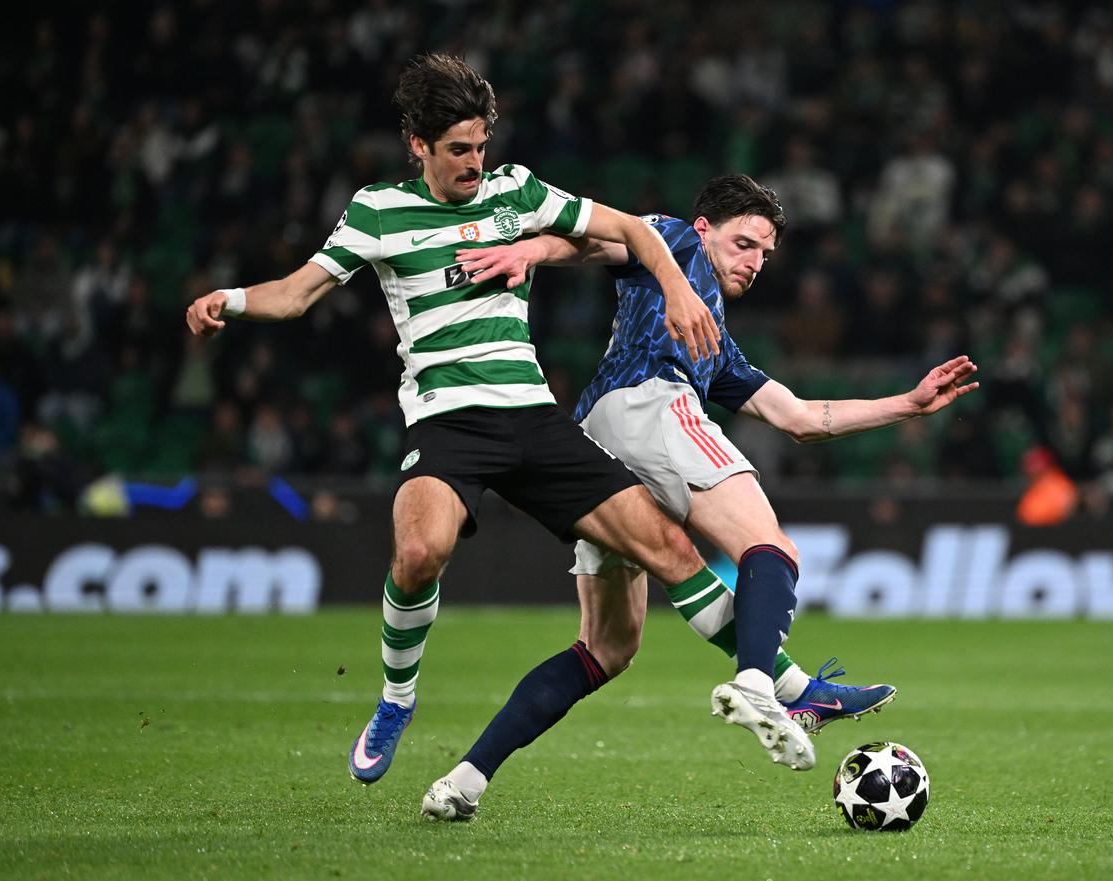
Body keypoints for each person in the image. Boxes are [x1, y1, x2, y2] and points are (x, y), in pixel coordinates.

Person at [184, 55, 812, 797]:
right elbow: (294, 295)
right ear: (417, 145)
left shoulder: (517, 190)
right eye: (458, 149)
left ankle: (784, 687)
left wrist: (677, 289)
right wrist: (228, 298)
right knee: (420, 552)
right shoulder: (377, 211)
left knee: (671, 546)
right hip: (449, 423)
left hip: (535, 419)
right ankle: (395, 698)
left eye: (481, 145)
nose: (474, 163)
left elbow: (634, 232)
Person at [422, 174, 980, 820]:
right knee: (768, 544)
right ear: (709, 228)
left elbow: (800, 416)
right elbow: (596, 242)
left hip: (597, 436)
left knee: (606, 647)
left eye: (765, 255)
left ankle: (463, 780)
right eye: (744, 243)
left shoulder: (713, 341)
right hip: (650, 404)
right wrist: (532, 250)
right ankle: (762, 683)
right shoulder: (678, 240)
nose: (753, 262)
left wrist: (905, 406)